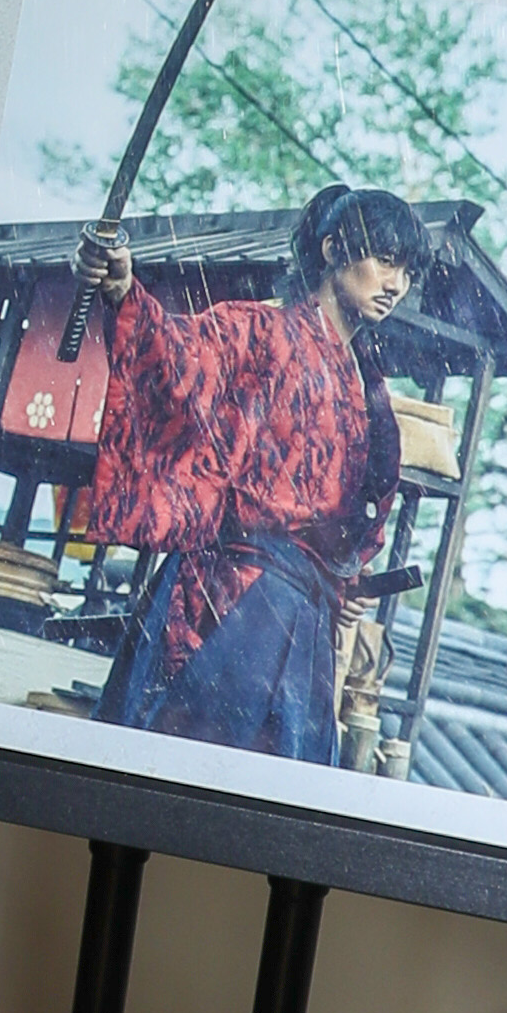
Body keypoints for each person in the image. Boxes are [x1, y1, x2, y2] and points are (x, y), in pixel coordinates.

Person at [69, 184, 425, 764]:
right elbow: (176, 357)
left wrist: (341, 581)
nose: (396, 284)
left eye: (406, 271)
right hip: (225, 601)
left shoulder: (367, 386)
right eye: (385, 260)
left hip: (305, 622)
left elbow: (349, 521)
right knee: (180, 771)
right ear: (333, 249)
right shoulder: (259, 331)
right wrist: (121, 288)